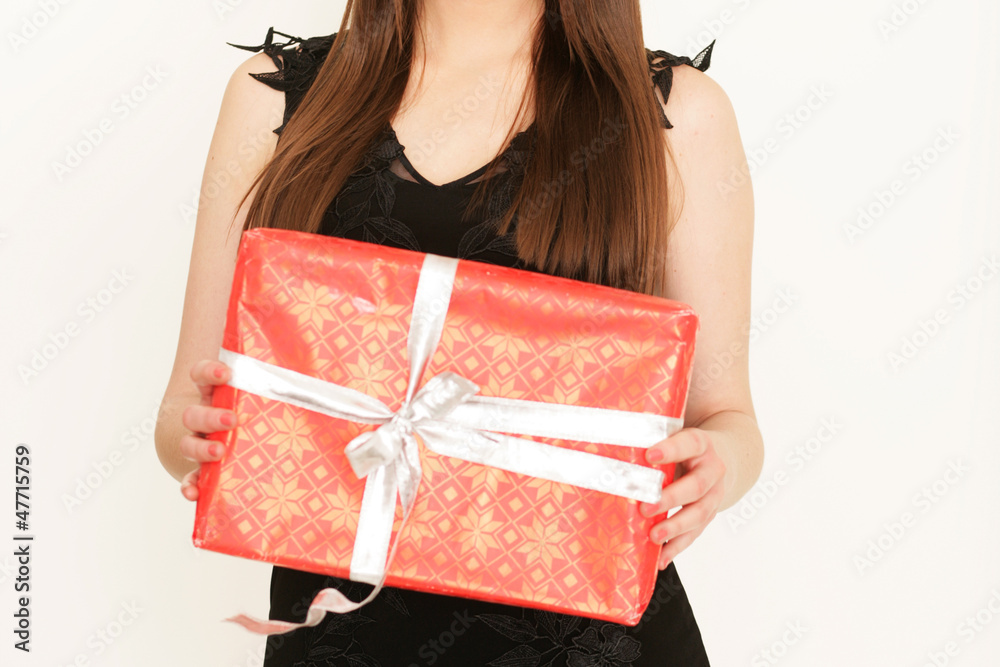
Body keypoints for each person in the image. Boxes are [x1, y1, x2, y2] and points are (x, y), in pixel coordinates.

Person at [154, 1, 763, 665]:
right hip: (343, 638)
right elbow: (183, 413)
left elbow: (728, 418)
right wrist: (200, 442)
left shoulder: (674, 116)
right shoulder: (273, 100)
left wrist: (716, 467)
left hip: (593, 642)